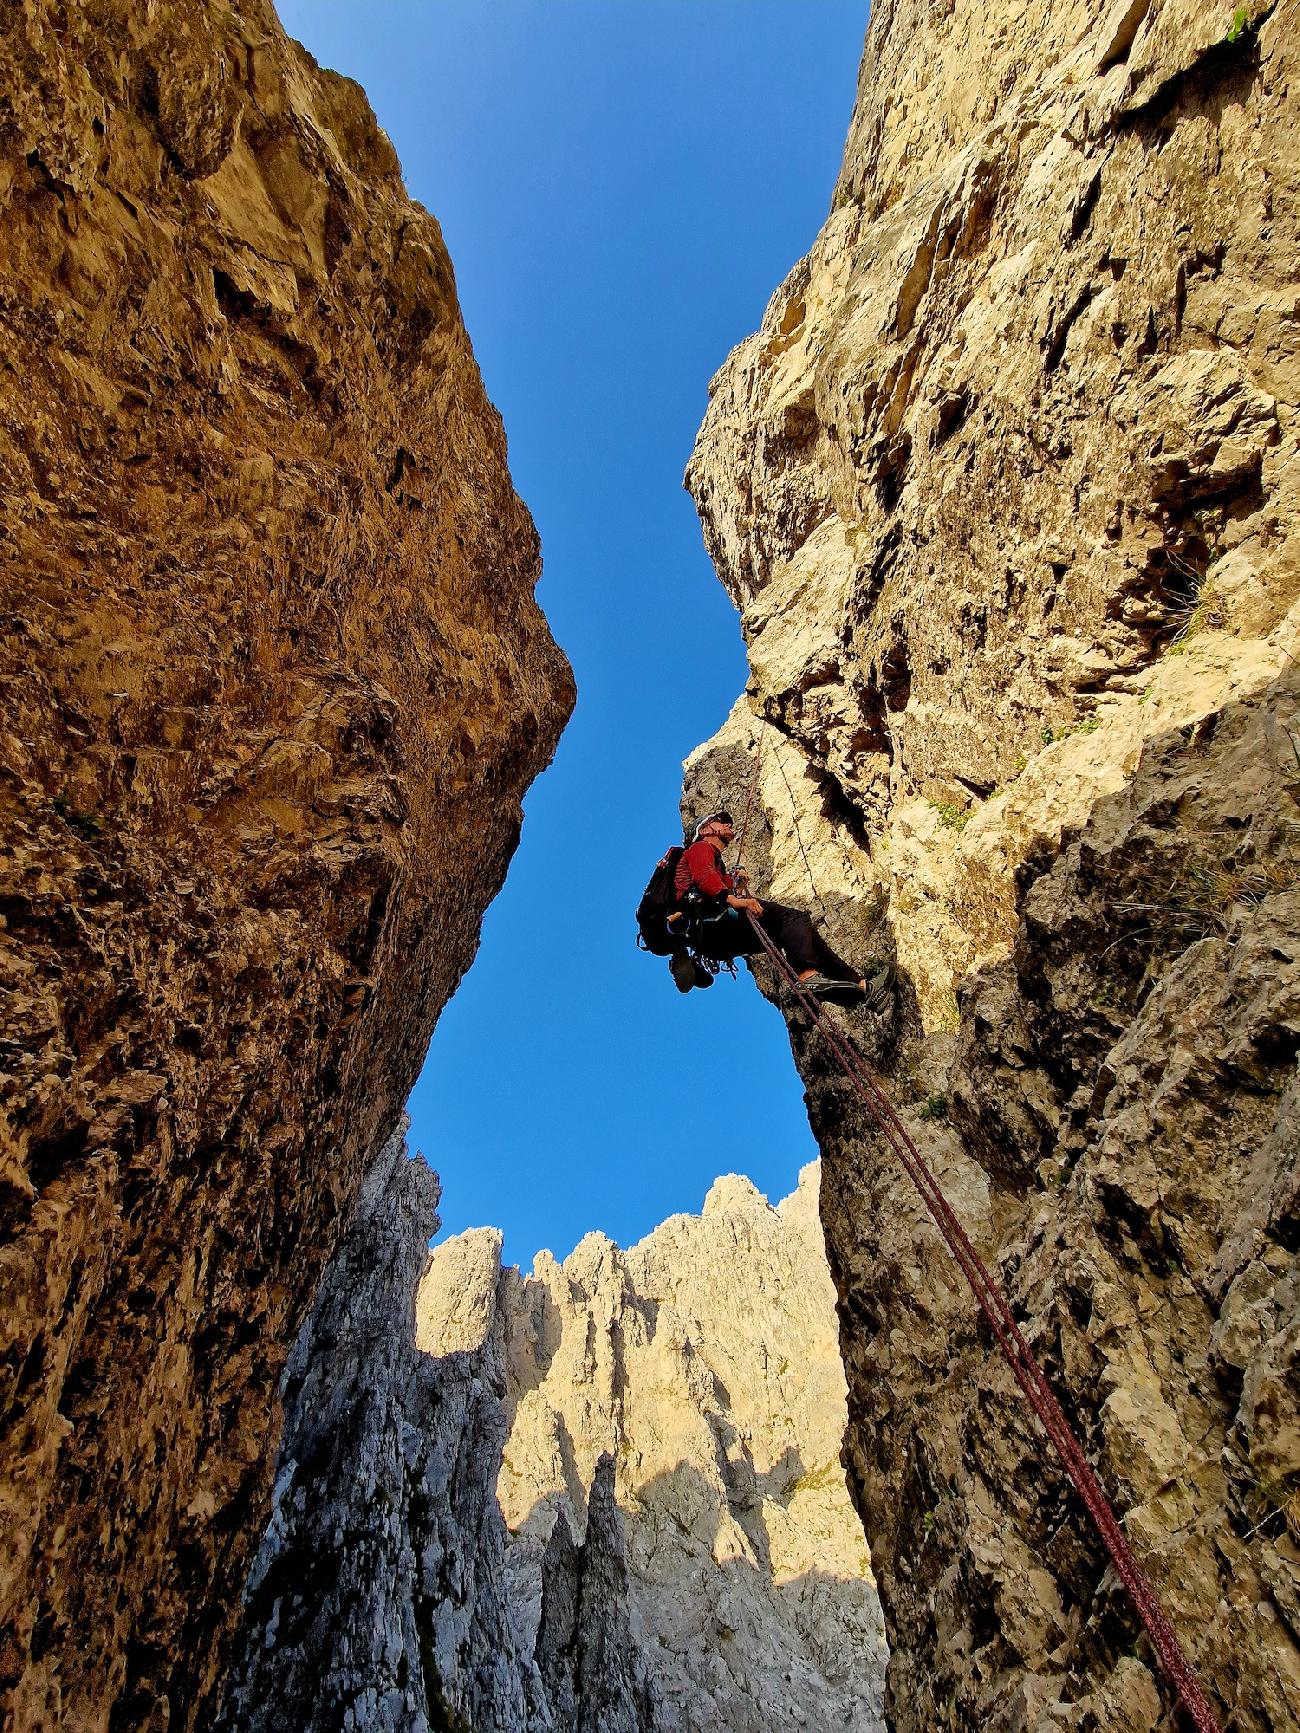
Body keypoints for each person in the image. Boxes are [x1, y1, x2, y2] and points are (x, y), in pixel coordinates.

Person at [668, 810, 889, 1006]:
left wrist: (739, 889)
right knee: (792, 919)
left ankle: (858, 987)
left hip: (713, 940)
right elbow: (704, 876)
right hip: (712, 926)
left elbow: (714, 883)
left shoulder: (715, 863)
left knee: (798, 935)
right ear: (705, 829)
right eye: (720, 820)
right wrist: (734, 899)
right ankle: (808, 976)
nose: (728, 824)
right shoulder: (699, 848)